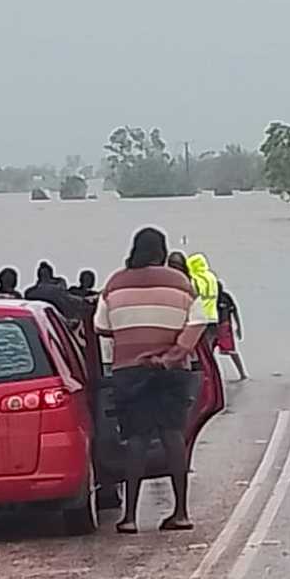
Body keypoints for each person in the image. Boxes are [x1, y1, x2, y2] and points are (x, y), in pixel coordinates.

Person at [95, 227, 208, 533]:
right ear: (161, 251)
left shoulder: (115, 283)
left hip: (129, 371)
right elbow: (198, 321)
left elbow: (100, 325)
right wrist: (174, 353)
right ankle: (181, 512)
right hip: (171, 371)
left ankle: (130, 518)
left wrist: (131, 334)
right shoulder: (181, 282)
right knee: (173, 437)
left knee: (136, 440)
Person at [215, 280, 247, 381]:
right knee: (208, 353)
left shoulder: (226, 297)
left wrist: (239, 327)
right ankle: (216, 376)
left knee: (231, 351)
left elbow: (235, 311)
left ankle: (242, 374)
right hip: (211, 327)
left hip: (224, 327)